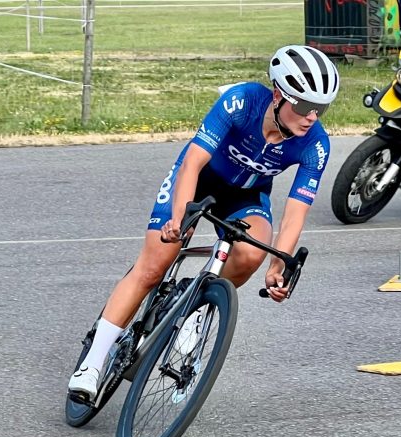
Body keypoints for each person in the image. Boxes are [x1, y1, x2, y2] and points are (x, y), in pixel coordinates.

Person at [68, 45, 340, 401]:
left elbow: (295, 214)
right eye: (303, 106)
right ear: (277, 95)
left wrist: (279, 265)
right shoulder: (242, 102)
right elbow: (193, 163)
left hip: (246, 195)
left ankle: (195, 310)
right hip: (200, 180)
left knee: (252, 253)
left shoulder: (314, 145)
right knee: (155, 264)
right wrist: (179, 218)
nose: (312, 117)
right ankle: (93, 361)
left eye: (321, 109)